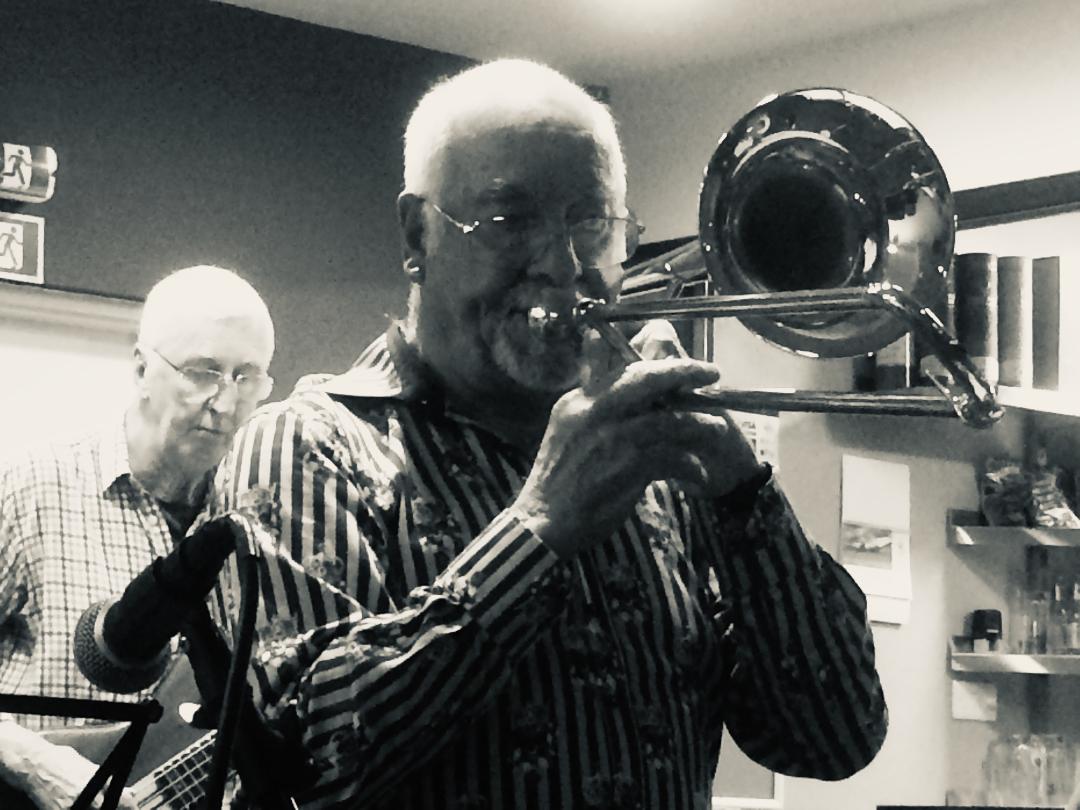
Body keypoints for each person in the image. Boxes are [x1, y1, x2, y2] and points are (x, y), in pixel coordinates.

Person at [210, 59, 887, 810]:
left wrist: (743, 498)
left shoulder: (654, 469)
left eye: (591, 224)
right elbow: (306, 756)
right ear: (416, 235)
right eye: (510, 222)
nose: (563, 266)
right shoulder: (304, 446)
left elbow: (836, 737)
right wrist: (537, 531)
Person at [0, 265, 275, 808]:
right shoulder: (31, 488)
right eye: (202, 372)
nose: (225, 403)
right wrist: (35, 766)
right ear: (142, 369)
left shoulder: (265, 525)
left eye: (247, 377)